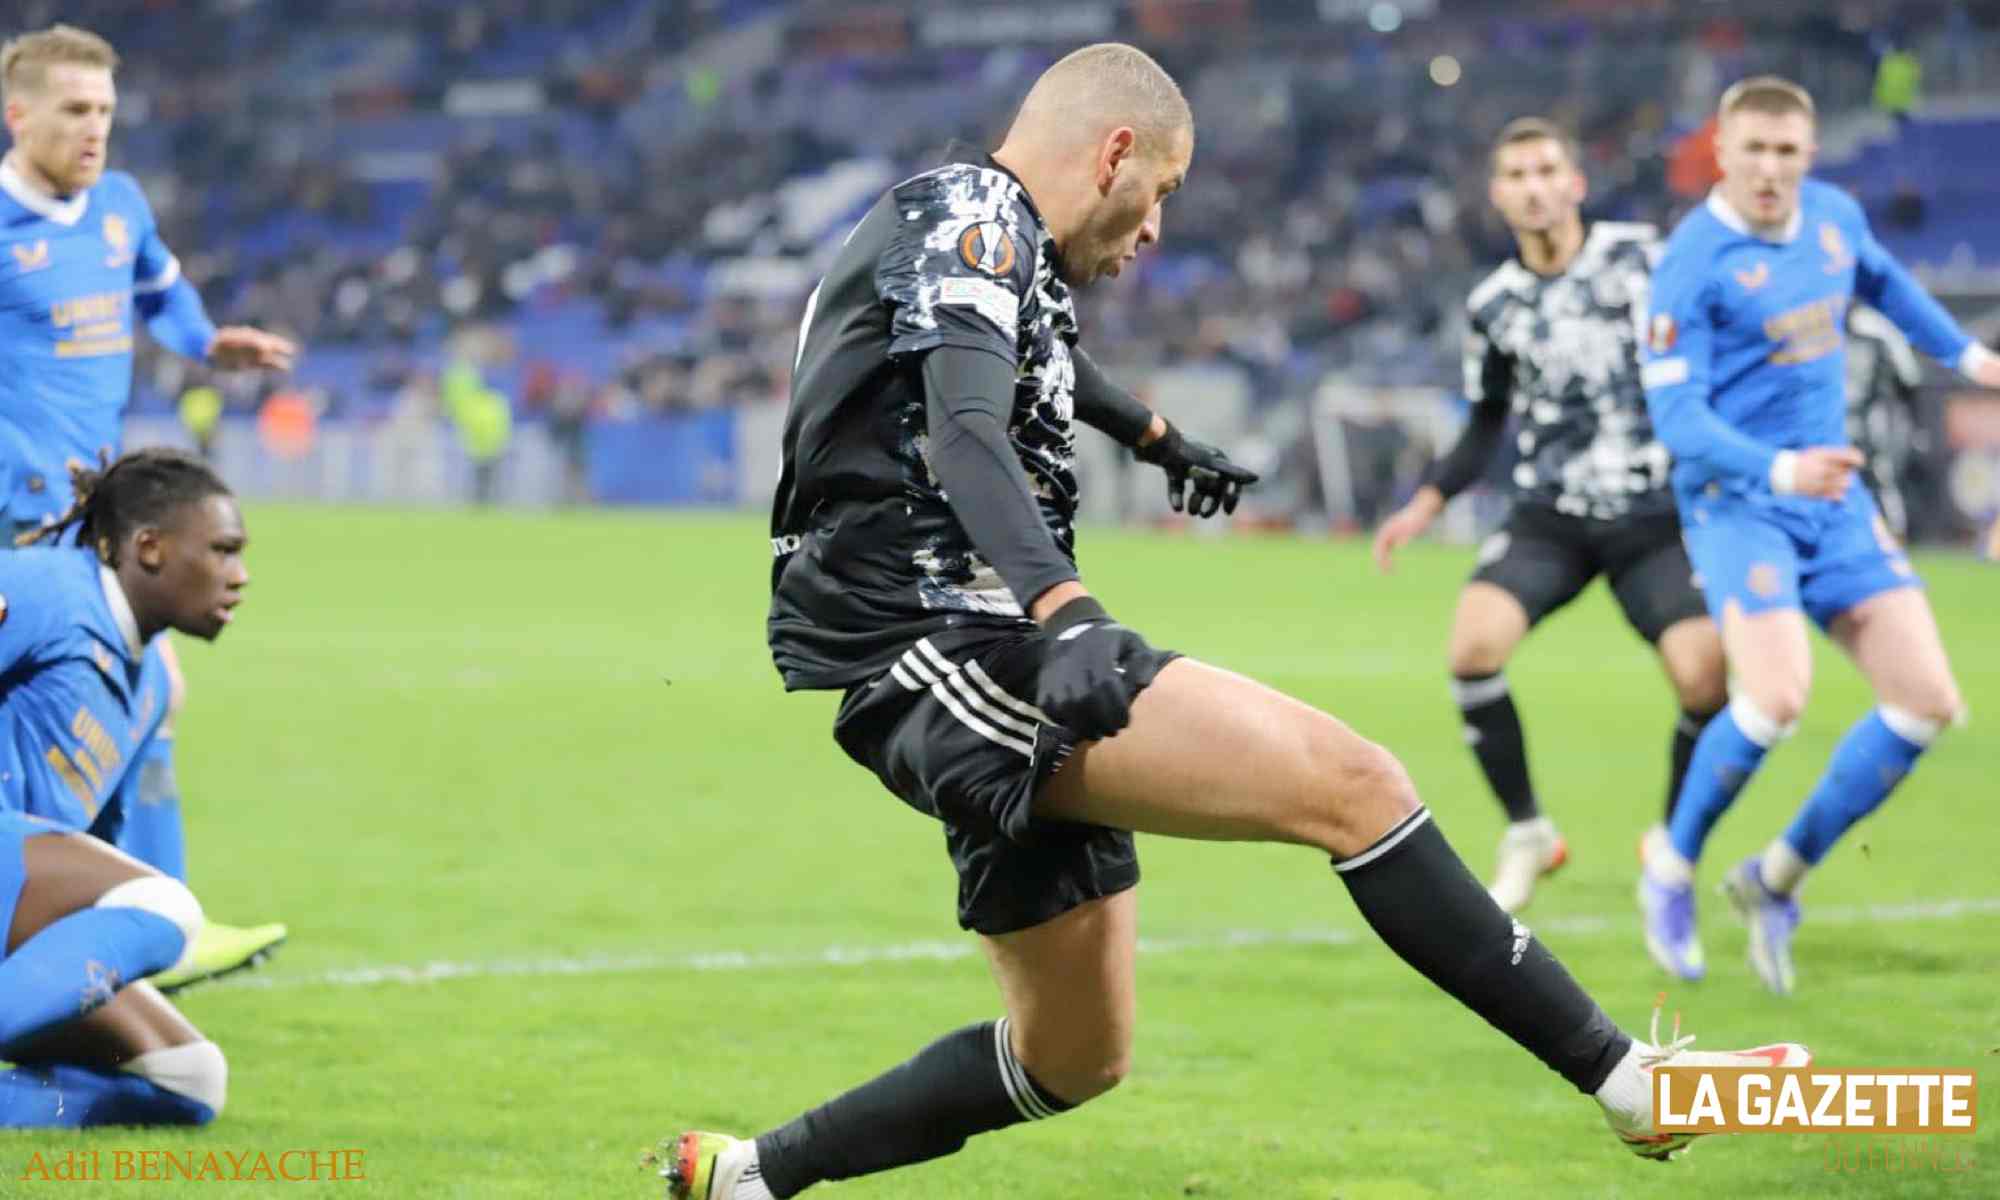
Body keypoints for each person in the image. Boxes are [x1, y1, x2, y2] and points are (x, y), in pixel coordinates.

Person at [646, 45, 1806, 1199]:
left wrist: (1157, 439)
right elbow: (964, 430)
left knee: (1071, 1058)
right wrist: (1066, 612)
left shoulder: (995, 239)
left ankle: (748, 1178)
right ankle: (1630, 1085)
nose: (1154, 228)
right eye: (1161, 191)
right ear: (1113, 153)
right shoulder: (971, 218)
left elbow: (1048, 363)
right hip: (939, 640)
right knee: (1354, 784)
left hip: (992, 638)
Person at [1638, 76, 2000, 993]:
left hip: (1832, 499)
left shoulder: (1834, 218)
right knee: (1775, 698)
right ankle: (1670, 865)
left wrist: (1969, 356)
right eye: (1754, 151)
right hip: (1739, 500)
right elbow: (1677, 420)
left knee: (1924, 703)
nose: (1770, 170)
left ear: (1809, 155)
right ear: (1722, 152)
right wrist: (1778, 469)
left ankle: (1772, 881)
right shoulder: (1691, 264)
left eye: (1787, 152)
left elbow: (1884, 281)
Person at [0, 24, 291, 989]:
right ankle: (131, 915)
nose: (95, 129)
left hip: (86, 526)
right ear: (18, 115)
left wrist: (207, 343)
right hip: (15, 527)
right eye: (75, 110)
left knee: (142, 701)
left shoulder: (118, 207)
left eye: (105, 112)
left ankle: (146, 914)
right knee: (121, 704)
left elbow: (160, 289)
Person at [1373, 118, 1725, 914]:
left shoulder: (1643, 259)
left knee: (1707, 679)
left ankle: (1672, 844)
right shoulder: (1493, 304)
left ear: (1575, 183)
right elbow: (1486, 421)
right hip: (1550, 516)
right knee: (1472, 648)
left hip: (1653, 513)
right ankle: (1529, 833)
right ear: (1498, 196)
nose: (1533, 188)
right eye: (1516, 176)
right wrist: (1424, 503)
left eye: (1545, 171)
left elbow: (1708, 342)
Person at [0, 449, 249, 1126]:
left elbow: (94, 851)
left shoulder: (152, 684)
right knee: (165, 904)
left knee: (190, 1078)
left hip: (12, 899)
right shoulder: (47, 589)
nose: (240, 576)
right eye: (222, 551)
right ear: (150, 548)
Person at [1843, 303, 1924, 538]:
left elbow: (1908, 379)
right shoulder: (1814, 319)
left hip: (1869, 420)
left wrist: (1916, 427)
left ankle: (1894, 540)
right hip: (1829, 422)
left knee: (1880, 478)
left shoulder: (1875, 325)